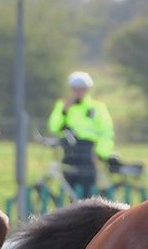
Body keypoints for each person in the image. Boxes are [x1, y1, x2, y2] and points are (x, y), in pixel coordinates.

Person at [46, 71, 114, 199]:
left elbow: (106, 131)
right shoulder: (63, 105)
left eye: (81, 89)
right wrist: (64, 112)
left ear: (87, 90)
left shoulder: (97, 107)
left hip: (88, 152)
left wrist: (101, 153)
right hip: (69, 152)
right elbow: (53, 127)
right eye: (75, 89)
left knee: (88, 190)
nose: (78, 92)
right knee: (70, 190)